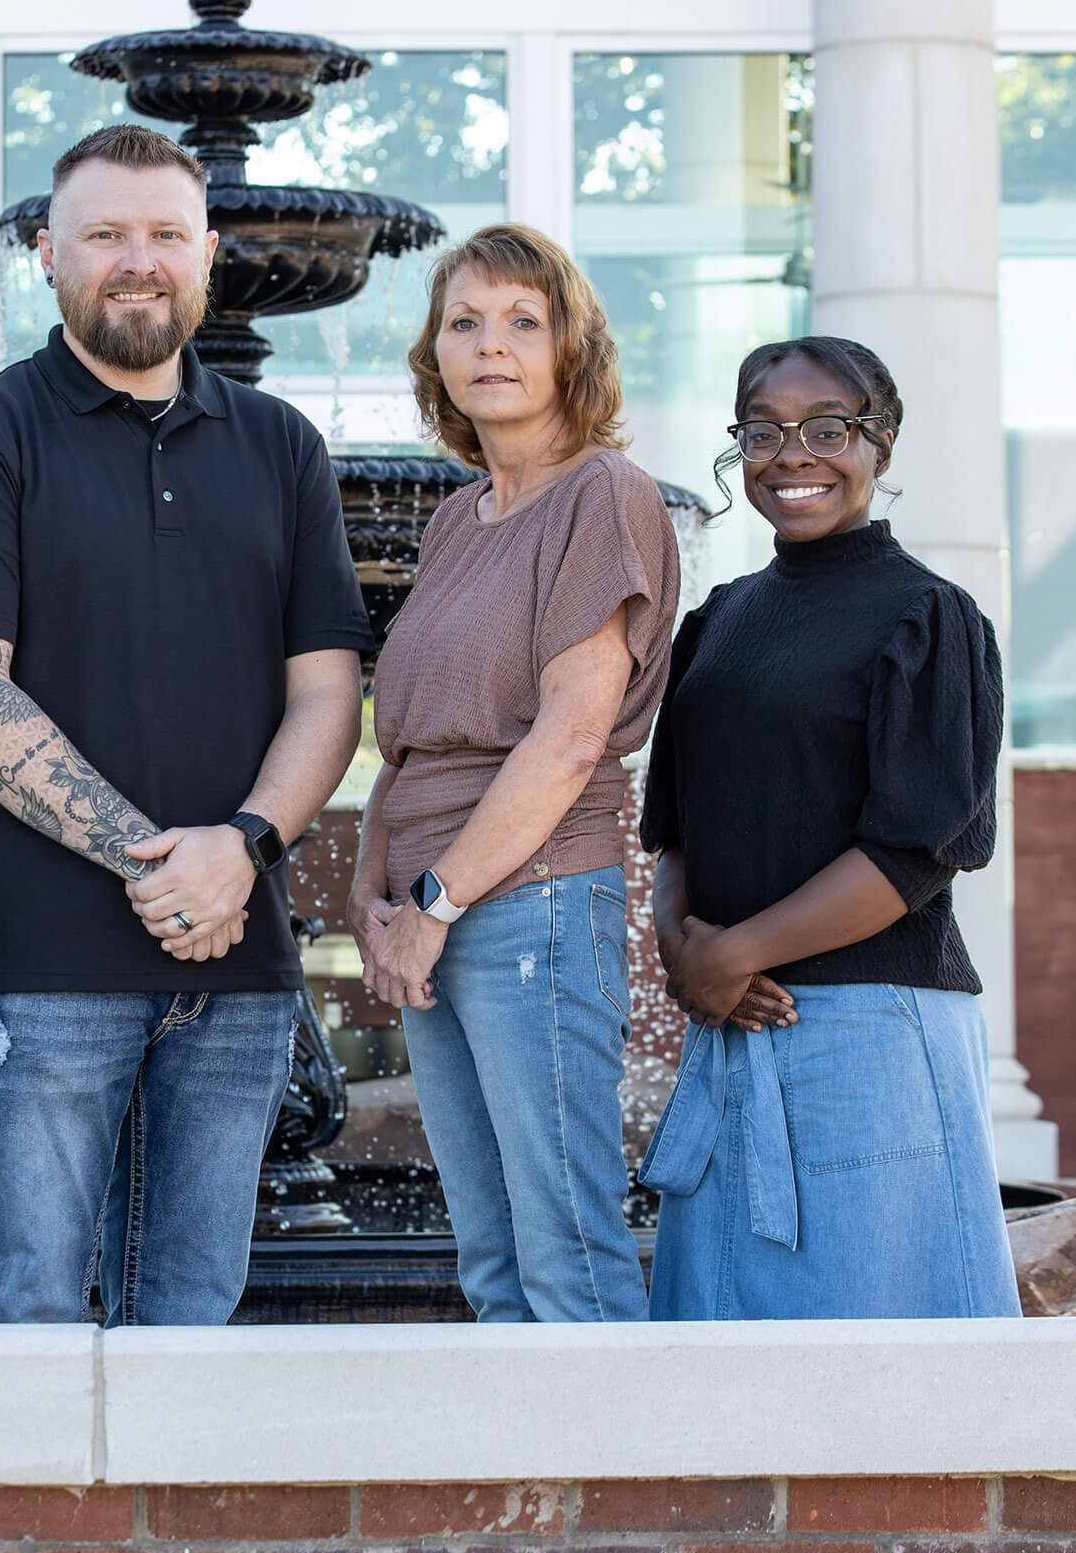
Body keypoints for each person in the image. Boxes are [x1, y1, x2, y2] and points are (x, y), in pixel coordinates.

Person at [0, 125, 372, 1327]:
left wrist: (238, 851)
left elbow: (330, 689)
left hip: (241, 966)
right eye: (104, 234)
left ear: (207, 255)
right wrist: (159, 865)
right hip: (44, 964)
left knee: (194, 1311)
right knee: (34, 1313)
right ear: (48, 255)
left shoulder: (282, 446)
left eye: (163, 234)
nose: (135, 260)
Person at [637, 334, 1018, 1320]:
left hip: (867, 1035)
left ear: (879, 445)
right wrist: (683, 954)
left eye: (825, 429)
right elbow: (675, 825)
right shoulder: (719, 619)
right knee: (720, 1366)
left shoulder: (927, 618)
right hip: (729, 1025)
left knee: (875, 1369)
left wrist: (738, 953)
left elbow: (919, 849)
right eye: (762, 431)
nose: (791, 455)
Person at [349, 223, 681, 1322]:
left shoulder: (604, 495)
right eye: (465, 322)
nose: (492, 344)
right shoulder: (457, 520)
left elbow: (571, 736)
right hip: (431, 909)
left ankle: (617, 1492)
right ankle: (532, 1492)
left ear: (569, 347)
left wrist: (437, 901)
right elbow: (408, 744)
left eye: (523, 322)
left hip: (530, 902)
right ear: (436, 353)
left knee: (565, 1247)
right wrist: (379, 895)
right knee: (488, 1251)